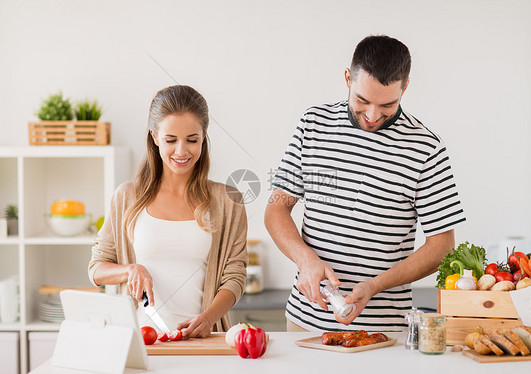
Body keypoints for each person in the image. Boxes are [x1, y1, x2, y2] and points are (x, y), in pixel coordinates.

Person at [265, 35, 466, 332]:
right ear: (348, 78)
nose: (372, 116)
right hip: (304, 325)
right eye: (362, 100)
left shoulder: (426, 148)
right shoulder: (313, 124)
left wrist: (375, 285)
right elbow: (276, 210)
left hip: (382, 333)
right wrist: (305, 259)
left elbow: (442, 247)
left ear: (405, 87)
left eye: (387, 104)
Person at [88, 85, 248, 337]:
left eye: (192, 140)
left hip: (202, 338)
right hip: (139, 338)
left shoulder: (228, 200)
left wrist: (207, 319)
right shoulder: (127, 196)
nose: (181, 151)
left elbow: (235, 276)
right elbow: (96, 268)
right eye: (171, 140)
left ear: (204, 136)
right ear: (154, 136)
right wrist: (131, 269)